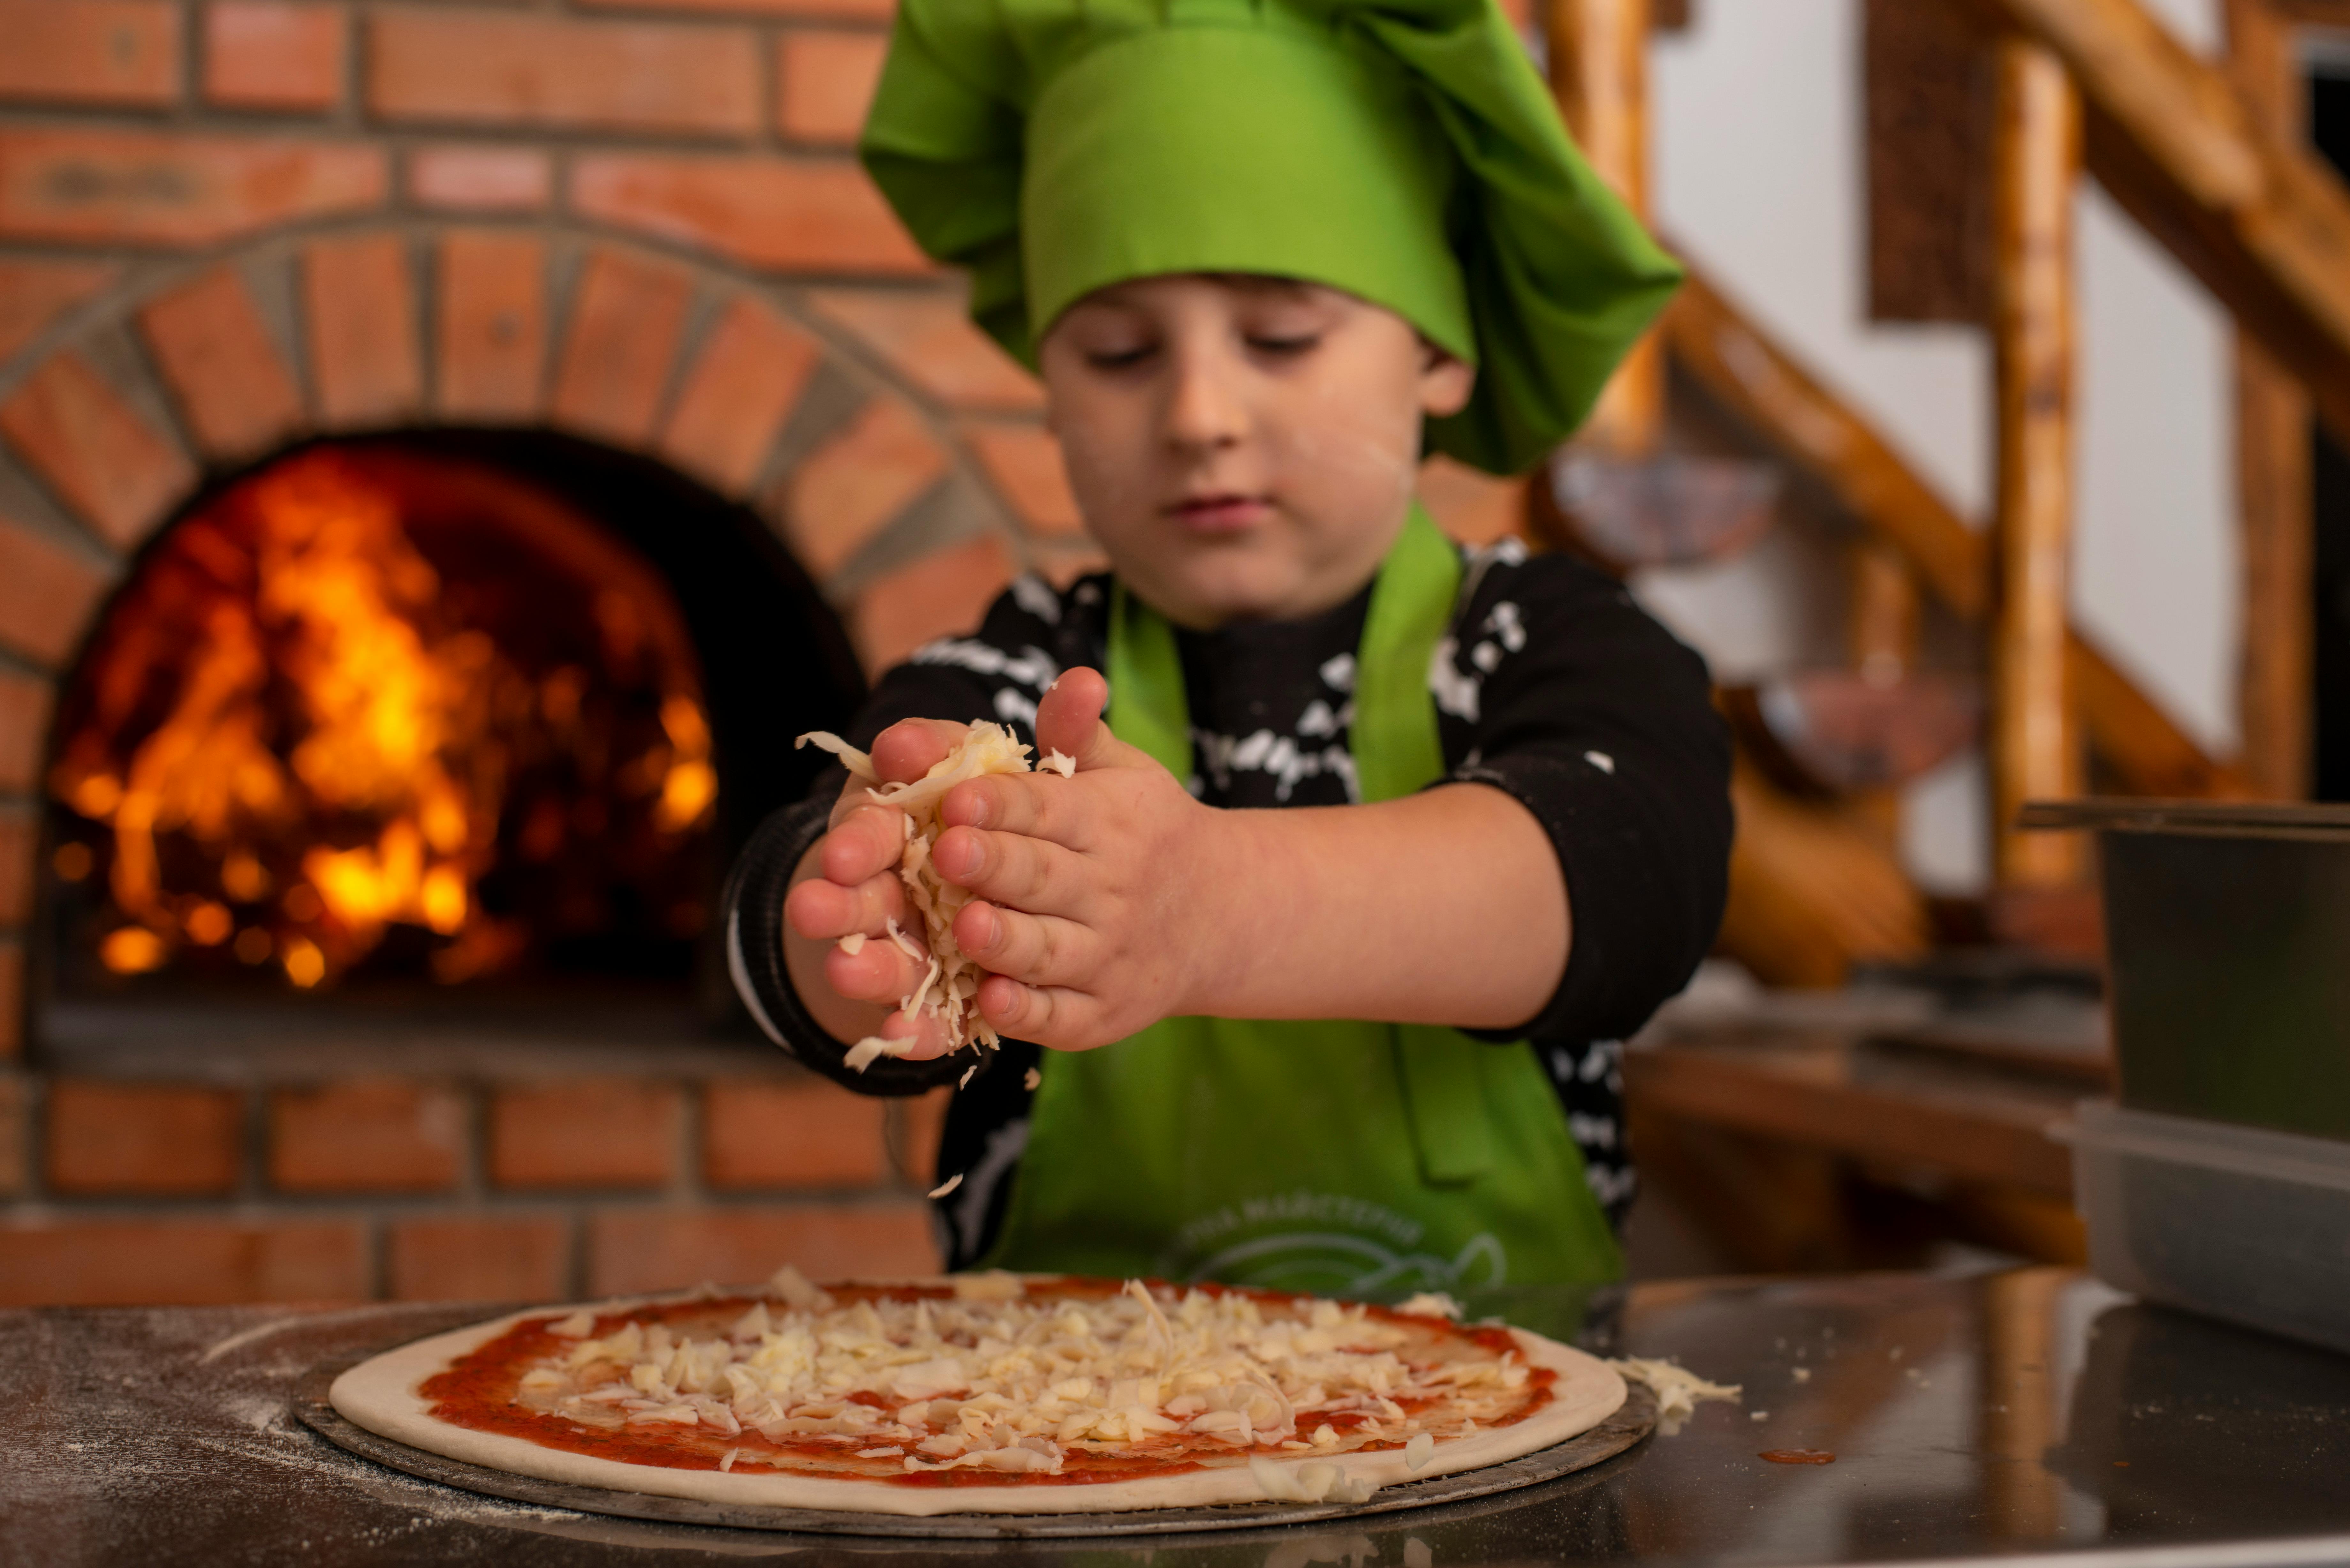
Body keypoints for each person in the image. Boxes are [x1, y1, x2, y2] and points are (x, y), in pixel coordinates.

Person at [726, 0, 1731, 1295]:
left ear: (1440, 349)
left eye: (1280, 338)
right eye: (1118, 351)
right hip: (1060, 1443)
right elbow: (794, 920)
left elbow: (1632, 879)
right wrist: (856, 925)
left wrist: (1216, 908)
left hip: (1505, 1431)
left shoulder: (1541, 642)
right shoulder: (1021, 672)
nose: (1199, 414)